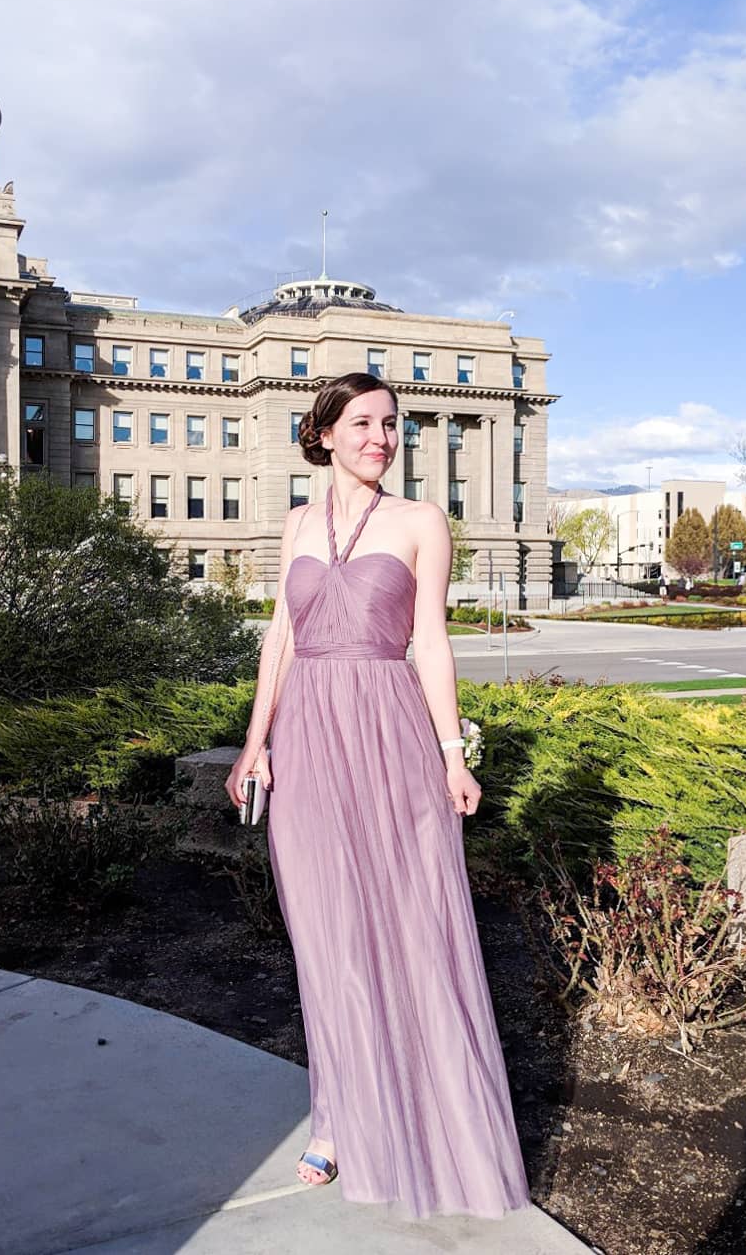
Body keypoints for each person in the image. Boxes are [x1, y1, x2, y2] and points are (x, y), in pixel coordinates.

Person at [225, 372, 529, 1220]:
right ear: (323, 434)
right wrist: (258, 742)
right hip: (311, 741)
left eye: (391, 424)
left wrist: (453, 752)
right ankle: (336, 1115)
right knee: (327, 939)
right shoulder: (293, 526)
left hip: (392, 737)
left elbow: (431, 642)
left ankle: (430, 1118)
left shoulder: (422, 521)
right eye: (363, 423)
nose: (382, 437)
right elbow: (279, 641)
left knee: (408, 927)